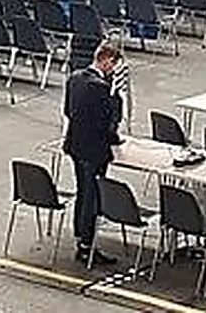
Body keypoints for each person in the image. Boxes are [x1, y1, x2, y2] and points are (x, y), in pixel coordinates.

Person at [64, 39, 124, 266]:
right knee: (92, 196)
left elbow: (68, 111)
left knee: (82, 191)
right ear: (107, 60)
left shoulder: (75, 78)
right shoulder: (101, 88)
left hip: (76, 145)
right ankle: (87, 245)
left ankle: (80, 235)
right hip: (94, 150)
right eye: (113, 65)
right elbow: (106, 122)